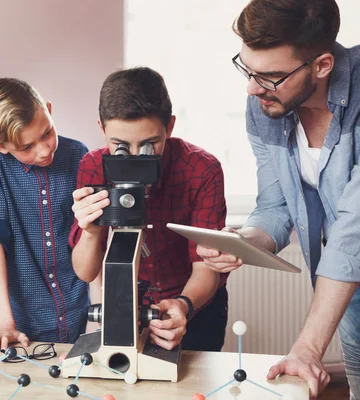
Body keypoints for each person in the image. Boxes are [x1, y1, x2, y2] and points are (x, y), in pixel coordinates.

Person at [197, 1, 360, 398]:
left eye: (269, 76)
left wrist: (307, 347)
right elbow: (275, 205)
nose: (253, 89)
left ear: (322, 65)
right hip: (351, 305)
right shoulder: (268, 104)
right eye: (247, 70)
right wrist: (244, 241)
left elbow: (354, 230)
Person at [71, 67, 229, 352]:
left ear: (169, 126)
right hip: (125, 304)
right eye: (120, 146)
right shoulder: (93, 166)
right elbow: (85, 271)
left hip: (193, 305)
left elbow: (206, 265)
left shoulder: (202, 169)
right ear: (101, 128)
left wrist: (183, 306)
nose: (133, 157)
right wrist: (91, 231)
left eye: (149, 145)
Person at [0, 78, 90, 353]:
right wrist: (4, 323)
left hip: (80, 313)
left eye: (47, 132)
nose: (45, 150)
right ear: (0, 146)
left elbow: (91, 235)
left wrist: (97, 318)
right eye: (26, 148)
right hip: (24, 324)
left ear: (48, 109)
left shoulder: (78, 155)